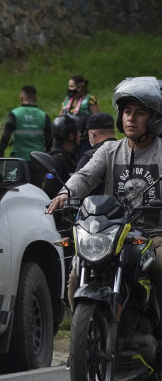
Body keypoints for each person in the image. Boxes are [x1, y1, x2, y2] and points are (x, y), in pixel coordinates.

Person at [46, 77, 162, 311]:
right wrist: (66, 193)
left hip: (155, 235)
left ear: (154, 118)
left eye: (140, 112)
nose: (131, 117)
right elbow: (86, 175)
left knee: (159, 267)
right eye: (127, 111)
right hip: (113, 233)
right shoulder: (109, 150)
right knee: (77, 273)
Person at [0, 85, 51, 161]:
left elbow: (6, 135)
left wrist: (0, 152)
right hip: (38, 158)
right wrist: (48, 154)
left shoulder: (14, 114)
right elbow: (49, 139)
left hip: (19, 157)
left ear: (21, 97)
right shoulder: (44, 116)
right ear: (36, 98)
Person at [74, 112, 117, 195]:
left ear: (92, 134)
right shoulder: (126, 152)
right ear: (113, 132)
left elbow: (76, 186)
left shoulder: (89, 157)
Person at [59, 74, 101, 154]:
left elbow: (98, 119)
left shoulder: (90, 100)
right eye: (69, 86)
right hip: (69, 140)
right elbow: (60, 117)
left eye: (72, 86)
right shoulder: (66, 100)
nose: (69, 89)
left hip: (84, 139)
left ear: (80, 87)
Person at [42, 114, 80, 198]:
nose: (80, 134)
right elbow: (49, 190)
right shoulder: (57, 160)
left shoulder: (71, 155)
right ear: (71, 135)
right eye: (77, 131)